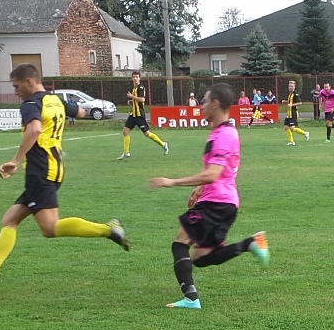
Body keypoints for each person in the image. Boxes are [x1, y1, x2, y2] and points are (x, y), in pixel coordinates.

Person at [0, 63, 129, 292]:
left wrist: (15, 161)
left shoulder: (30, 104)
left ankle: (108, 229)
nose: (15, 91)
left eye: (16, 86)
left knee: (49, 228)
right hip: (55, 168)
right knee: (10, 220)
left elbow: (34, 130)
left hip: (39, 171)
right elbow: (81, 112)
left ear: (29, 82)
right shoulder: (55, 99)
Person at [148, 83, 268, 310]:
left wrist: (172, 182)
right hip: (225, 202)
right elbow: (221, 172)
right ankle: (250, 244)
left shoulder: (223, 135)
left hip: (216, 203)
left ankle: (191, 299)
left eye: (204, 101)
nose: (201, 105)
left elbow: (213, 174)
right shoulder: (225, 131)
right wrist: (200, 188)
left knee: (179, 243)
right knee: (201, 257)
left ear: (215, 103)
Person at [117, 70, 169, 159]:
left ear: (139, 78)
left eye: (137, 77)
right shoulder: (134, 88)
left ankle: (163, 144)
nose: (135, 78)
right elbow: (137, 100)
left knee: (147, 134)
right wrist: (132, 101)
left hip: (139, 115)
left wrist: (132, 97)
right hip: (133, 114)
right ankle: (126, 152)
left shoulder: (140, 87)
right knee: (125, 131)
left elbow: (142, 99)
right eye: (134, 77)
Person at [283, 80, 311, 145]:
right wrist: (286, 102)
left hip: (293, 113)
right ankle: (291, 142)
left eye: (292, 86)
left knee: (292, 128)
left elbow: (300, 103)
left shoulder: (296, 94)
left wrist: (291, 105)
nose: (290, 87)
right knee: (286, 127)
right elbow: (291, 103)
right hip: (289, 114)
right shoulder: (290, 94)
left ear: (294, 87)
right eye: (289, 86)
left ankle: (305, 133)